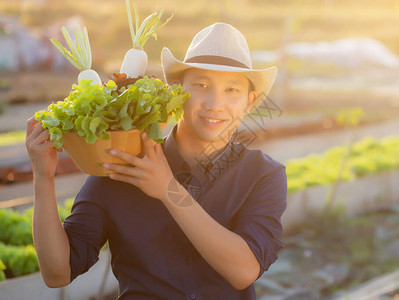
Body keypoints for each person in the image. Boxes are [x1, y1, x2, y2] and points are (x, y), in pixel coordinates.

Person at [26, 22, 287, 300]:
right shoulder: (121, 163)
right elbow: (57, 274)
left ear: (250, 101)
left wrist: (168, 190)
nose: (214, 103)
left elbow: (244, 271)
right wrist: (43, 178)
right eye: (201, 84)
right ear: (177, 90)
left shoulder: (264, 175)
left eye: (231, 90)